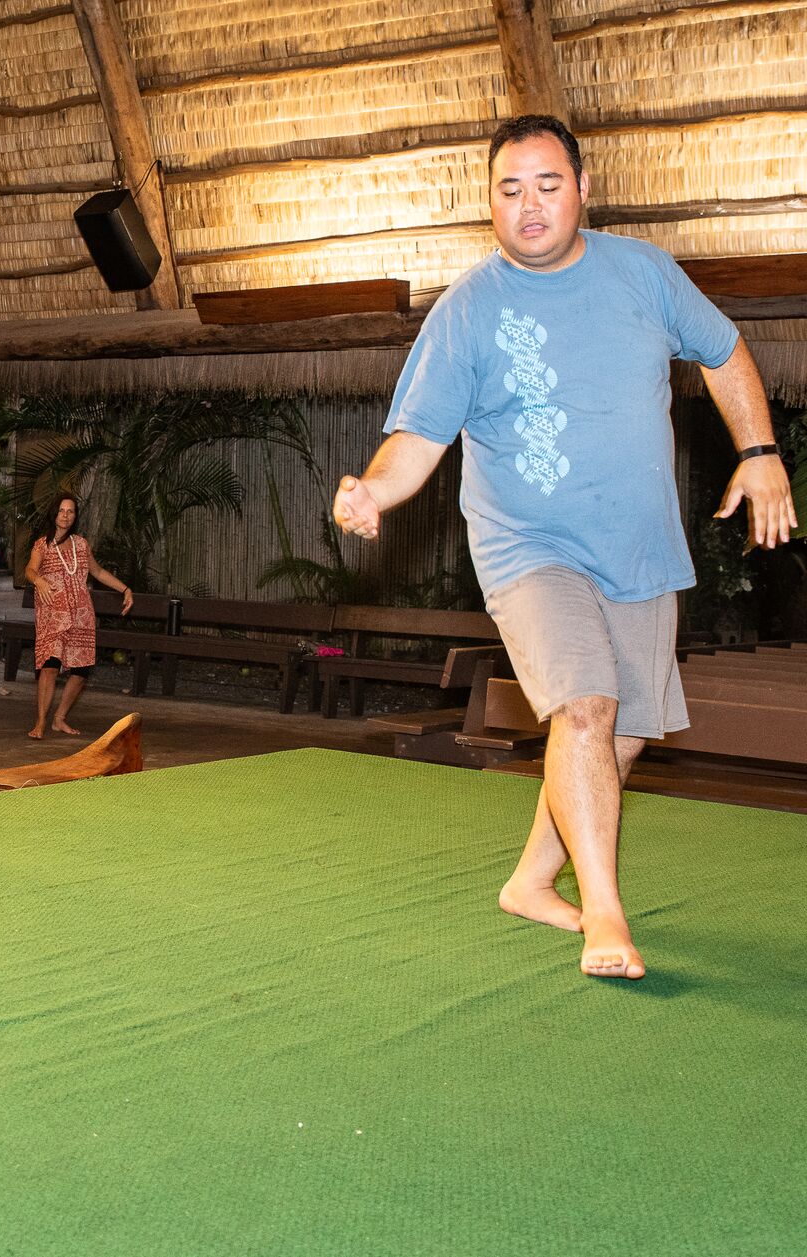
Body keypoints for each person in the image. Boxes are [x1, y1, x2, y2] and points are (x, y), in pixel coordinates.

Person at [333, 113, 794, 981]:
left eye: (548, 184)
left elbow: (727, 351)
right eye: (510, 189)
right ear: (490, 205)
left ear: (584, 190)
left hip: (640, 544)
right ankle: (604, 913)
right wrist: (374, 491)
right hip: (528, 544)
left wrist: (761, 453)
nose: (530, 204)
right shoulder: (468, 308)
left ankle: (531, 879)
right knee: (584, 707)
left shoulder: (644, 274)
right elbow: (418, 438)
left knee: (617, 735)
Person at [25, 492, 134, 739]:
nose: (66, 515)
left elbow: (97, 571)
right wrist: (39, 580)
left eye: (70, 511)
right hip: (53, 613)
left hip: (81, 614)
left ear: (75, 516)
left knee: (81, 670)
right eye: (62, 511)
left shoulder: (81, 545)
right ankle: (40, 722)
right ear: (55, 514)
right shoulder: (42, 544)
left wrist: (125, 589)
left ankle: (59, 719)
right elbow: (30, 569)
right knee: (50, 665)